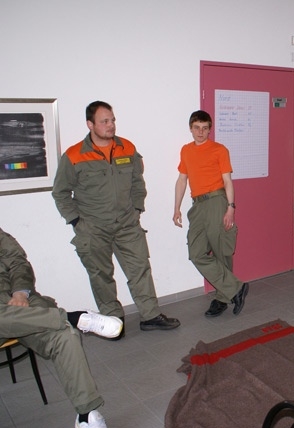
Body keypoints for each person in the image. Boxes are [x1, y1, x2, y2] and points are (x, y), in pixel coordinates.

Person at [52, 101, 180, 340]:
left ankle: (150, 316)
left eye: (112, 120)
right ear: (90, 124)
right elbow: (60, 192)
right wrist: (77, 221)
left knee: (140, 268)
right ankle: (113, 322)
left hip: (127, 224)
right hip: (93, 228)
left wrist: (137, 209)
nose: (111, 125)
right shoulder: (74, 155)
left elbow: (137, 182)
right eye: (104, 121)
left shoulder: (127, 148)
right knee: (101, 275)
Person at [0, 227, 123, 428]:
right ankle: (72, 317)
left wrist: (20, 293)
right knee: (59, 322)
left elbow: (17, 261)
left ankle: (86, 414)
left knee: (65, 335)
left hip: (16, 301)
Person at [172, 110, 249, 318]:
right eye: (197, 128)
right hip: (197, 205)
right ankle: (236, 288)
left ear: (209, 130)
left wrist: (231, 207)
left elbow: (227, 181)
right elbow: (182, 180)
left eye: (205, 128)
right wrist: (176, 207)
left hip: (216, 201)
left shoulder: (219, 150)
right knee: (196, 253)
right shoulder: (186, 150)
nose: (200, 132)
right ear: (191, 128)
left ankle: (223, 297)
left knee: (221, 251)